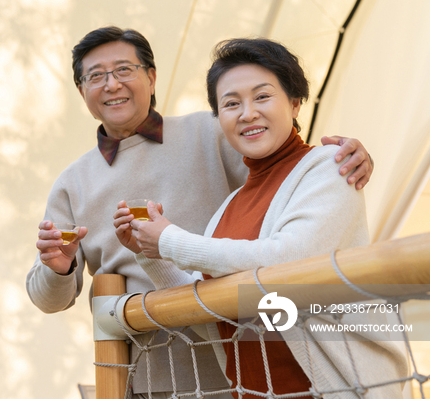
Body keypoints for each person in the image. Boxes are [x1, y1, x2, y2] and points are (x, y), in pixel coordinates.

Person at [25, 27, 375, 399]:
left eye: (124, 69)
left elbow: (290, 181)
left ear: (151, 76)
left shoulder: (214, 131)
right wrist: (58, 267)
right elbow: (49, 300)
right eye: (96, 76)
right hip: (152, 376)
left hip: (254, 363)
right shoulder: (72, 183)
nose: (112, 84)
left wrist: (345, 154)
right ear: (81, 90)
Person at [113, 38, 406, 398]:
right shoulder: (230, 205)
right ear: (219, 119)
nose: (247, 113)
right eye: (231, 103)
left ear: (295, 102)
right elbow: (206, 311)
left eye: (263, 96)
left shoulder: (330, 168)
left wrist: (169, 238)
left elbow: (284, 264)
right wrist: (150, 251)